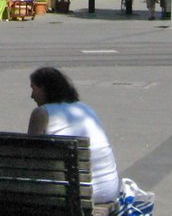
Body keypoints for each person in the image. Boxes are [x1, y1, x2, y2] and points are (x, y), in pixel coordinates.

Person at [27, 67, 120, 210]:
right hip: (109, 189)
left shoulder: (41, 113)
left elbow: (31, 160)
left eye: (34, 89)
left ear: (44, 88)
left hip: (75, 194)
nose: (32, 96)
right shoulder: (85, 108)